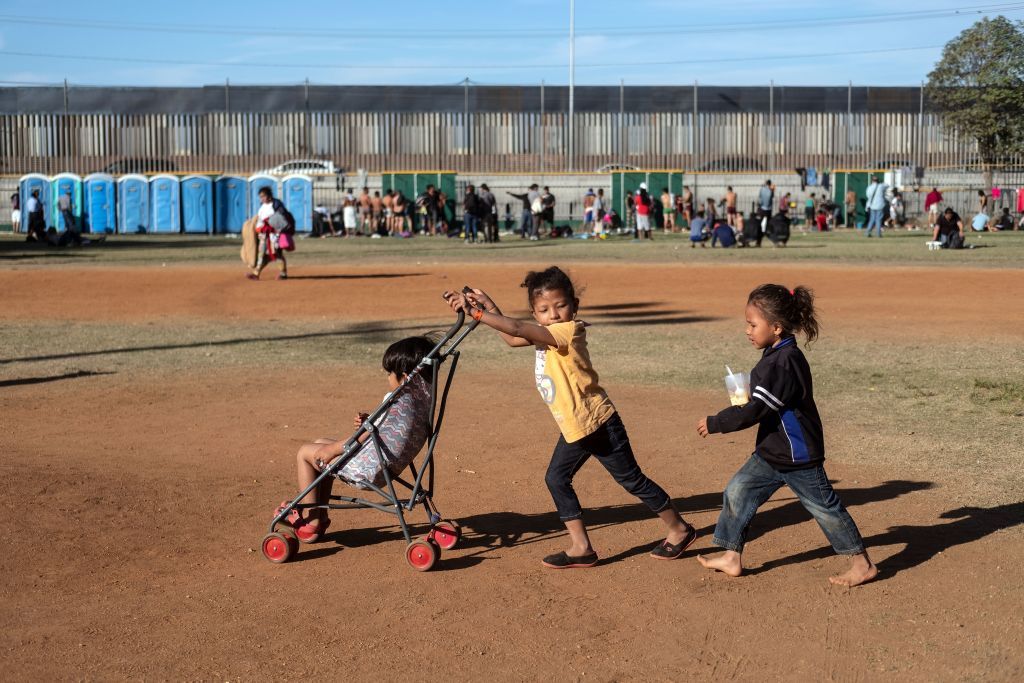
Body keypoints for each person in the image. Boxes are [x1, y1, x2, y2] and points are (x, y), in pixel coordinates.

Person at [444, 268, 697, 568]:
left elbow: (516, 328)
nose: (553, 314)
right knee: (556, 478)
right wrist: (489, 307)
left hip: (598, 424)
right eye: (544, 310)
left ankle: (679, 529)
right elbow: (512, 337)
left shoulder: (566, 331)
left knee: (632, 480)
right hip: (577, 427)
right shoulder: (545, 333)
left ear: (574, 306)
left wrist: (474, 311)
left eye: (560, 305)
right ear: (536, 314)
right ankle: (581, 548)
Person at [696, 284, 877, 587]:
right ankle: (731, 555)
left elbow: (755, 411)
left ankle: (862, 563)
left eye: (753, 324)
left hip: (798, 455)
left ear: (776, 327)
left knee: (825, 508)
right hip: (773, 451)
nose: (747, 330)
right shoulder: (775, 354)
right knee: (737, 491)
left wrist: (717, 422)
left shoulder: (784, 362)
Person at [285, 336, 435, 542]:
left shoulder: (395, 400)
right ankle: (321, 513)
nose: (387, 377)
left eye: (390, 373)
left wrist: (333, 449)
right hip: (389, 462)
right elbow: (378, 428)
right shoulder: (422, 400)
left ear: (405, 376)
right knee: (320, 441)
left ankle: (311, 518)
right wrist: (367, 424)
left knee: (306, 453)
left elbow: (366, 434)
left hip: (369, 470)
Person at [247, 186, 293, 280]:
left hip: (274, 235)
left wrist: (271, 225)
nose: (262, 198)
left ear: (269, 196)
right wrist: (258, 229)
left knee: (276, 254)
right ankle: (256, 273)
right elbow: (260, 220)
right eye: (260, 197)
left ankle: (283, 273)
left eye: (263, 196)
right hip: (264, 235)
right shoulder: (262, 207)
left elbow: (281, 220)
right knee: (262, 253)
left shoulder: (276, 205)